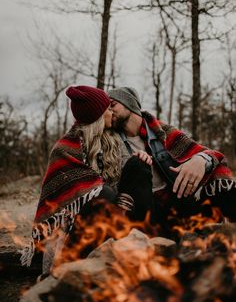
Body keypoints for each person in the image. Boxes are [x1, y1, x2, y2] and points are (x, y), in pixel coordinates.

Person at [20, 85, 123, 275]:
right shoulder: (64, 149)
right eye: (108, 108)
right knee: (105, 194)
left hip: (96, 222)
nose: (112, 111)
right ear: (97, 116)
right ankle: (71, 265)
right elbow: (64, 201)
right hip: (68, 228)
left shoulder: (107, 142)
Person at [108, 86, 236, 224]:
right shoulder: (109, 140)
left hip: (176, 201)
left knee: (227, 191)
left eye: (113, 105)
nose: (109, 111)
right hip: (144, 209)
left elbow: (213, 155)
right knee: (138, 165)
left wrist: (201, 159)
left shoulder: (162, 132)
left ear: (129, 104)